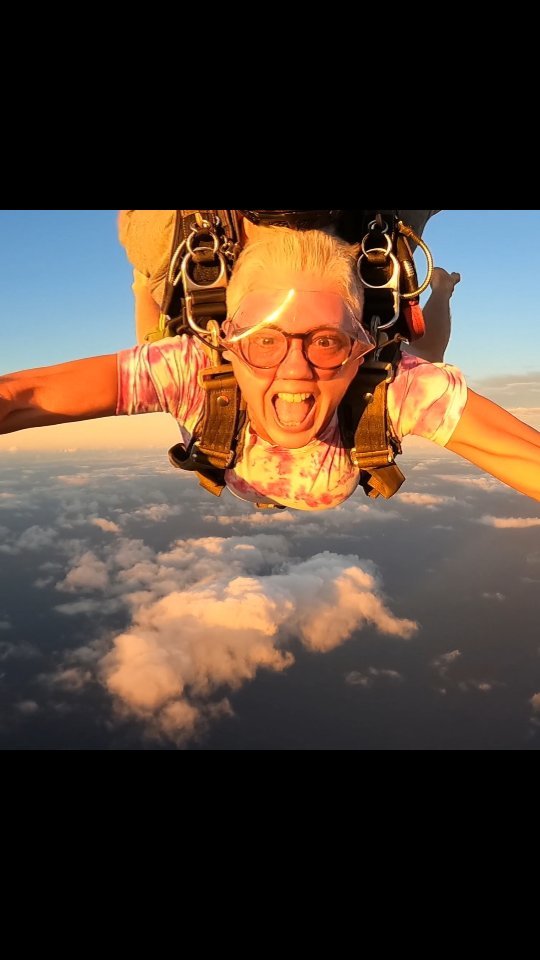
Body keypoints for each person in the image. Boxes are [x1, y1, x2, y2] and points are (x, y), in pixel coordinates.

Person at [1, 226, 538, 509]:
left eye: (326, 341)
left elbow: (23, 397)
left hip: (247, 461)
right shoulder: (193, 368)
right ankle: (147, 278)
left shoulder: (390, 383)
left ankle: (438, 288)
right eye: (264, 342)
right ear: (228, 344)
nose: (294, 369)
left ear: (360, 346)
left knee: (421, 361)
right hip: (255, 460)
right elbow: (21, 396)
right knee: (156, 335)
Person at [118, 209, 458, 362]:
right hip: (362, 243)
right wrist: (142, 286)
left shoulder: (164, 239)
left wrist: (442, 290)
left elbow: (428, 354)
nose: (292, 371)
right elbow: (152, 341)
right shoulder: (374, 396)